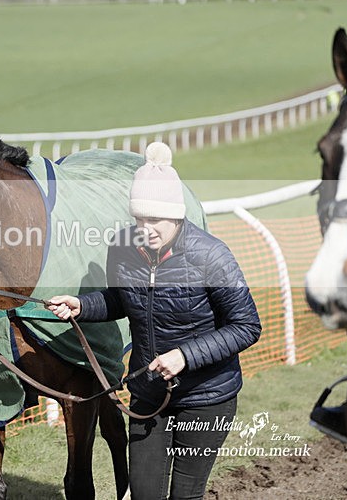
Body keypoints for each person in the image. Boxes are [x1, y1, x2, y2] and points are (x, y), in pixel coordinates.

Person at [48, 142, 261, 500]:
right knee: (145, 494)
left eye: (155, 220)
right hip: (148, 391)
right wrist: (82, 306)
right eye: (139, 218)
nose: (145, 228)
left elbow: (246, 325)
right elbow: (121, 299)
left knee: (184, 495)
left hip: (207, 397)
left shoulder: (212, 256)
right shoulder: (122, 247)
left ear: (177, 216)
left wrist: (185, 356)